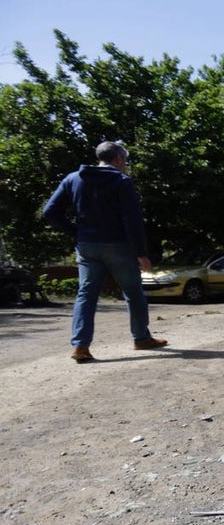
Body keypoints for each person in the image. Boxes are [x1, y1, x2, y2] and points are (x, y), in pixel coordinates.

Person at [42, 141, 167, 362]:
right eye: (125, 160)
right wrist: (141, 252)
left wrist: (76, 232)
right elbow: (132, 220)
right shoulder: (121, 181)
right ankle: (141, 338)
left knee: (86, 294)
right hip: (118, 246)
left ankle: (80, 346)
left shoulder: (73, 178)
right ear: (118, 158)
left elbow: (50, 211)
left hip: (87, 247)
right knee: (133, 292)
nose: (125, 165)